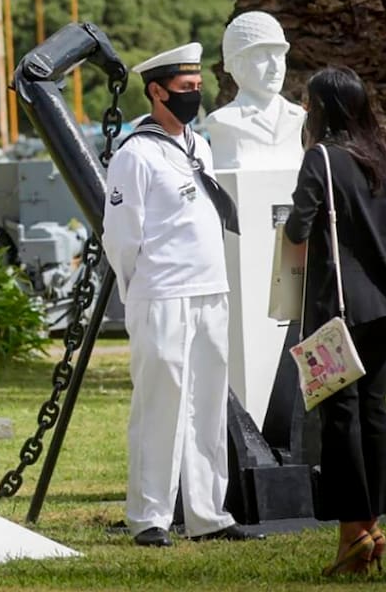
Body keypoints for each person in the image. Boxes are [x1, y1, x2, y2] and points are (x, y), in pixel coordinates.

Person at [102, 43, 259, 547]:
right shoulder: (136, 154)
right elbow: (121, 236)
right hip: (162, 293)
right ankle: (149, 516)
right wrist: (138, 290)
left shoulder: (199, 146)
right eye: (186, 89)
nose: (196, 96)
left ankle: (208, 513)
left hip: (211, 288)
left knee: (208, 403)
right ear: (156, 91)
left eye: (198, 87)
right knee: (160, 403)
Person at [284, 66, 386, 575]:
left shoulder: (319, 157)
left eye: (309, 103)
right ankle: (374, 526)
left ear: (323, 108)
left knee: (339, 422)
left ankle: (353, 537)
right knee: (373, 415)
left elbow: (299, 225)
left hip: (336, 308)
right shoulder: (381, 156)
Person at [206, 11, 307, 170]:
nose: (275, 68)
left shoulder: (296, 115)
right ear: (238, 65)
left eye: (279, 56)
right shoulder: (223, 121)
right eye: (262, 57)